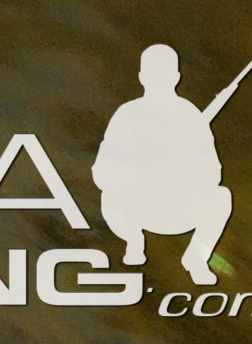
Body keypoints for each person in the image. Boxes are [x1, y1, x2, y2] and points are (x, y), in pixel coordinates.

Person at [95, 45, 236, 284]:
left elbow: (213, 173)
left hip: (178, 210)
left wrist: (181, 171)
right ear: (143, 77)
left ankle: (196, 258)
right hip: (136, 210)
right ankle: (133, 241)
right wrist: (139, 175)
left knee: (221, 197)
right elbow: (102, 171)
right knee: (109, 196)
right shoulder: (127, 114)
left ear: (175, 78)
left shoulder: (190, 116)